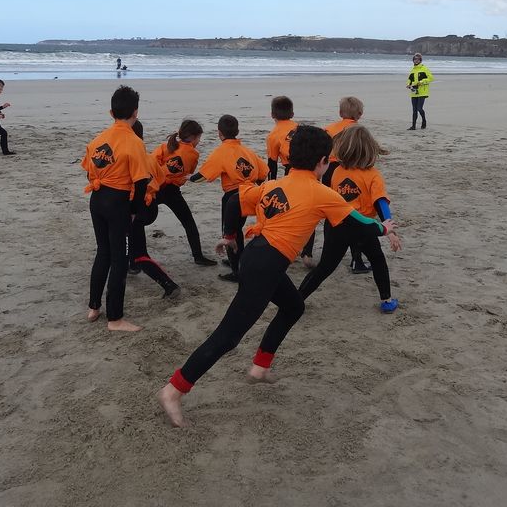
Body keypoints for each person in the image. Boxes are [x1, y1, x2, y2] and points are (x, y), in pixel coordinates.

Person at [157, 125, 395, 428]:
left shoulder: (274, 184)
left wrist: (229, 235)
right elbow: (359, 222)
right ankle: (174, 390)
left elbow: (235, 201)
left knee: (294, 307)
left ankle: (260, 367)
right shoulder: (322, 193)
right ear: (323, 161)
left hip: (256, 256)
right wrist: (384, 228)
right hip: (266, 266)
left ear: (290, 156)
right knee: (228, 336)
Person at [298, 125, 402, 310]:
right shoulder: (373, 175)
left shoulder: (336, 171)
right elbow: (381, 203)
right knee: (378, 261)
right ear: (370, 149)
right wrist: (390, 229)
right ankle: (386, 301)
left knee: (325, 267)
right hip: (363, 227)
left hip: (336, 225)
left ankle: (297, 299)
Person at [82, 85, 153, 332]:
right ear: (136, 112)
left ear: (111, 113)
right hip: (118, 202)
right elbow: (141, 182)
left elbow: (89, 171)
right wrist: (134, 211)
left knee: (103, 252)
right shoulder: (134, 142)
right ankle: (115, 319)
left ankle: (93, 307)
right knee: (119, 258)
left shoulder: (98, 139)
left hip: (97, 199)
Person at [188, 114, 269, 282]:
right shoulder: (247, 151)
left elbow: (203, 176)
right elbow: (264, 172)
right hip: (250, 194)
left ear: (219, 133)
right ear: (237, 131)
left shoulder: (221, 152)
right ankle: (238, 260)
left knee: (229, 233)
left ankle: (236, 272)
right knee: (237, 230)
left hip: (232, 197)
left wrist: (189, 178)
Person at [151, 119, 217, 266]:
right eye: (199, 138)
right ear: (193, 137)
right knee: (188, 222)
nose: (199, 141)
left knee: (137, 221)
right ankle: (198, 256)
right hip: (172, 191)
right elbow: (190, 172)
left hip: (155, 188)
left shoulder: (165, 146)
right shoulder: (193, 154)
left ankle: (133, 260)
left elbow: (151, 162)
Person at [127, 120, 181, 298]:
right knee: (132, 239)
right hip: (150, 208)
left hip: (136, 209)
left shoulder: (129, 159)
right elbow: (161, 180)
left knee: (139, 253)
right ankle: (132, 265)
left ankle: (168, 284)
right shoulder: (149, 158)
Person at [324, 95, 365, 271]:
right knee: (354, 212)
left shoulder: (328, 129)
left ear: (340, 113)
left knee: (330, 211)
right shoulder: (359, 131)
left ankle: (327, 254)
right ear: (360, 114)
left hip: (329, 170)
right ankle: (357, 259)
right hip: (351, 169)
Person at [266, 95, 297, 179]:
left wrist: (271, 183)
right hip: (312, 167)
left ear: (272, 115)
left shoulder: (272, 136)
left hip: (291, 169)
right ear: (292, 114)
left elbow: (272, 164)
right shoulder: (301, 128)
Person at [407, 53, 434, 130]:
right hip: (414, 91)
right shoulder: (412, 70)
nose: (416, 60)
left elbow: (431, 78)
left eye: (418, 59)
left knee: (419, 108)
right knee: (414, 110)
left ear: (420, 60)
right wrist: (408, 84)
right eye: (414, 59)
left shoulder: (424, 68)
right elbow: (409, 79)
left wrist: (422, 82)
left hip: (422, 92)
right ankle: (413, 126)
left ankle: (424, 120)